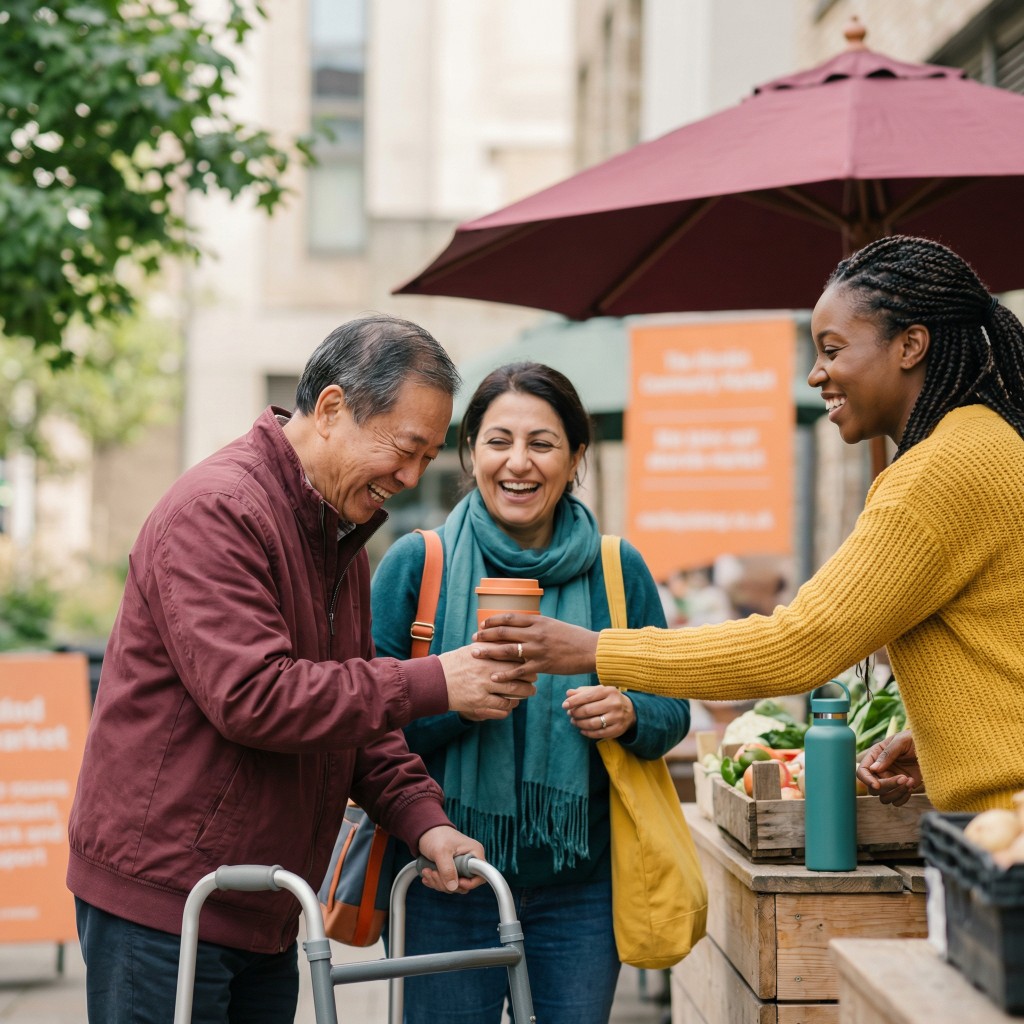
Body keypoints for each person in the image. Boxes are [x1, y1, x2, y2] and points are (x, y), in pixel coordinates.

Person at [67, 315, 538, 1024]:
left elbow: (355, 714)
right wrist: (440, 681)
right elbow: (257, 696)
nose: (411, 479)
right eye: (406, 449)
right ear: (331, 410)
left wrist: (424, 821)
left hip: (265, 900)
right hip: (170, 901)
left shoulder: (335, 531)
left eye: (429, 456)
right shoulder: (219, 510)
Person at [476, 235, 1024, 815]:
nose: (817, 375)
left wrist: (593, 648)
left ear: (911, 345)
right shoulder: (988, 445)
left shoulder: (938, 473)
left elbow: (798, 646)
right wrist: (952, 744)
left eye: (832, 350)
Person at [370, 362, 691, 1024]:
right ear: (470, 451)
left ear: (576, 456)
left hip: (580, 890)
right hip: (444, 883)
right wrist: (455, 702)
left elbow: (673, 710)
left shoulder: (617, 569)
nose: (518, 463)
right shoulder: (417, 563)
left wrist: (630, 713)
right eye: (498, 441)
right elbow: (364, 727)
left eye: (542, 443)